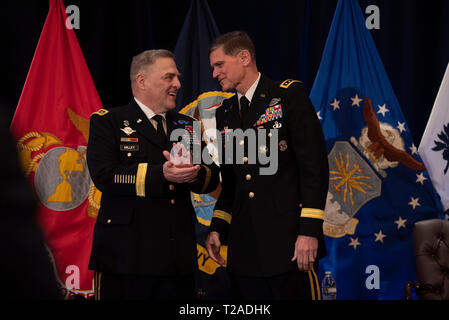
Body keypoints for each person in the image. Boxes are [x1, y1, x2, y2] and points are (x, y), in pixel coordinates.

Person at [205, 31, 329, 300]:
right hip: (244, 250)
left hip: (289, 245)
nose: (215, 73)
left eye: (219, 65)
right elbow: (232, 184)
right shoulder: (224, 112)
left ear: (244, 57)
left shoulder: (287, 96)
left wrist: (308, 232)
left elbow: (314, 169)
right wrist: (217, 227)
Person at [87, 49, 219, 300]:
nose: (178, 84)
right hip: (127, 258)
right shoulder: (109, 122)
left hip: (177, 259)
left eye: (177, 77)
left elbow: (211, 177)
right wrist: (162, 175)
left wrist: (193, 174)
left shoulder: (186, 125)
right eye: (169, 77)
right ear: (141, 80)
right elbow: (104, 175)